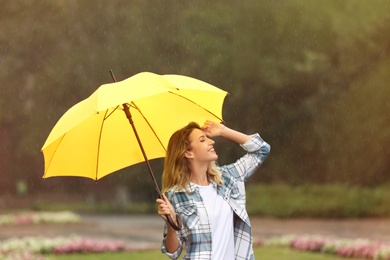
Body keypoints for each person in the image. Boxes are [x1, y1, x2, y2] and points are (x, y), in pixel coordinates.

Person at [156, 120, 271, 259]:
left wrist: (223, 131)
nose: (212, 142)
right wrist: (171, 223)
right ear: (188, 153)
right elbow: (173, 252)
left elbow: (261, 149)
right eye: (202, 140)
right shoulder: (175, 195)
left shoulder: (228, 178)